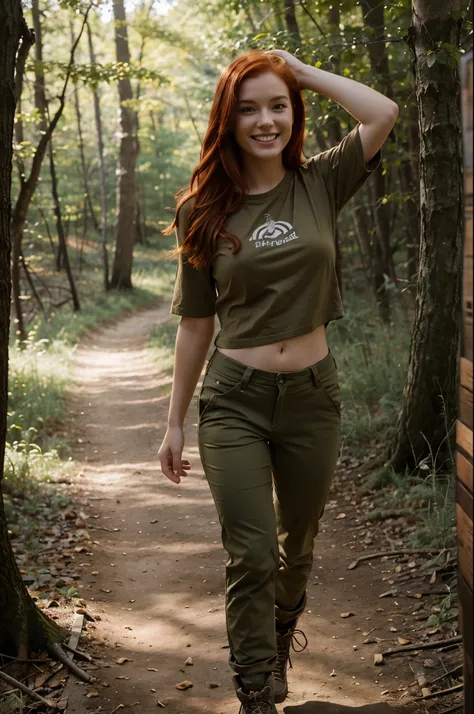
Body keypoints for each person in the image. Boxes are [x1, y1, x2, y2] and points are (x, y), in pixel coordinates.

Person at [158, 48, 398, 714]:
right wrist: (174, 422)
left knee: (298, 548)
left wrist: (302, 72)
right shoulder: (202, 210)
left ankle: (283, 627)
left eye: (278, 106)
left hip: (312, 399)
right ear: (228, 121)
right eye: (249, 109)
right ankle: (257, 687)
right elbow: (195, 326)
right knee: (253, 553)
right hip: (234, 400)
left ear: (294, 112)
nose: (266, 120)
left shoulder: (322, 180)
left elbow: (383, 112)